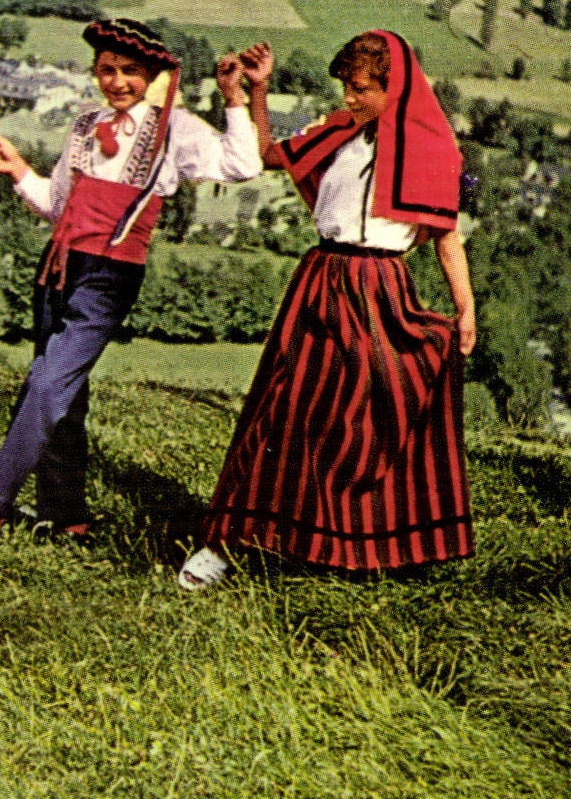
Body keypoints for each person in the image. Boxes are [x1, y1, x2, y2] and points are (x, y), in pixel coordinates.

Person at [0, 18, 265, 574]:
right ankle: (66, 516)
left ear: (153, 76)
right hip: (58, 267)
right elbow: (56, 205)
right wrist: (15, 167)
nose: (116, 82)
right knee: (62, 395)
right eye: (107, 70)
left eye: (130, 72)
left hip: (110, 276)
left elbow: (244, 164)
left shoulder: (174, 128)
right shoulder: (85, 125)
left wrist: (234, 96)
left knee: (45, 385)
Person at [178, 30, 475, 589]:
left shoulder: (433, 151)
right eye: (346, 87)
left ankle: (365, 544)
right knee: (281, 407)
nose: (349, 98)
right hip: (321, 281)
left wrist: (465, 309)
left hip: (381, 289)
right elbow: (270, 156)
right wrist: (255, 91)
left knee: (367, 420)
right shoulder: (341, 132)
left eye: (360, 89)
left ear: (393, 88)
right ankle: (226, 542)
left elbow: (445, 236)